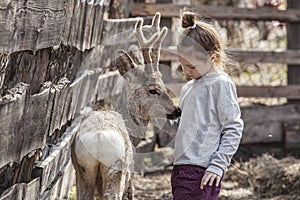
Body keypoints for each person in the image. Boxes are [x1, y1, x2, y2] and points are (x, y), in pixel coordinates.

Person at [171, 11, 244, 200]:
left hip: (202, 171)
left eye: (192, 67)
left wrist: (218, 165)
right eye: (183, 65)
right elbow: (185, 127)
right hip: (180, 168)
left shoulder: (220, 83)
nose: (186, 71)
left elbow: (233, 127)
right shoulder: (188, 87)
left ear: (212, 56)